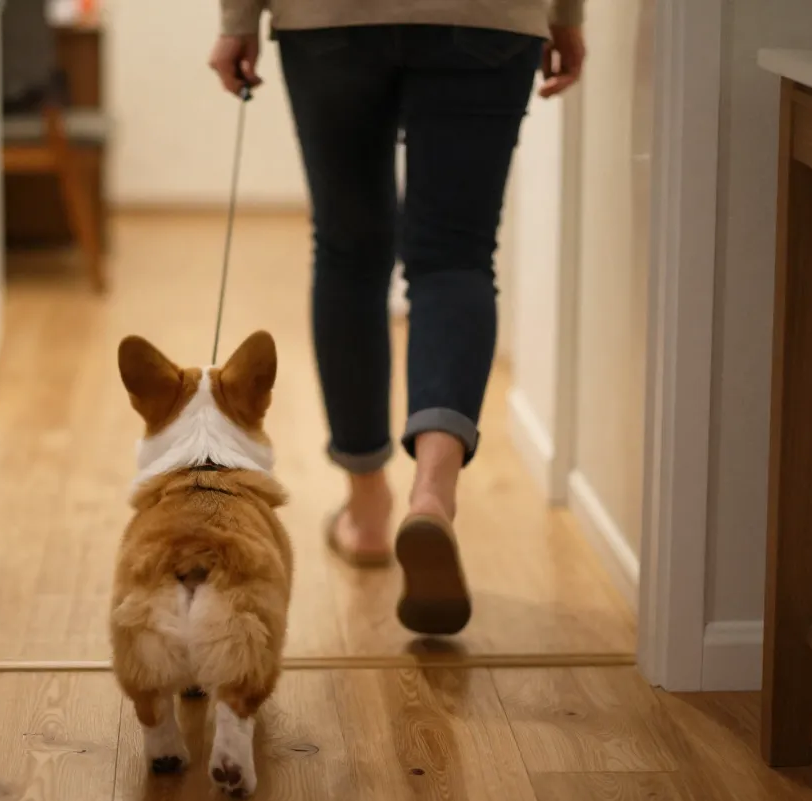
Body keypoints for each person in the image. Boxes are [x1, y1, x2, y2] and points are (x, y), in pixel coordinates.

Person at [209, 1, 586, 635]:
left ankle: (366, 514)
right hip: (486, 17)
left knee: (349, 253)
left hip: (331, 20)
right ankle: (432, 496)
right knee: (456, 256)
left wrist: (236, 21)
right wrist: (566, 14)